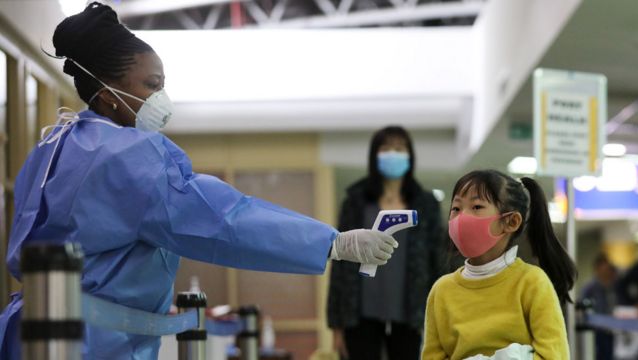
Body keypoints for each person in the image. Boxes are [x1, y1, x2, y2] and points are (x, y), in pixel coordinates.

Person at [0, 3, 398, 359]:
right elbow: (221, 220)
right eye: (152, 85)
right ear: (108, 94)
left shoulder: (52, 146)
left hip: (30, 335)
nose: (162, 97)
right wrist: (333, 243)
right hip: (91, 345)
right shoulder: (126, 154)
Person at [422, 169, 577, 360]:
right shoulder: (442, 290)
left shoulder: (531, 282)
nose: (462, 218)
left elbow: (555, 355)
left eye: (477, 207)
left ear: (510, 221)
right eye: (456, 209)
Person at [327, 126, 443, 360]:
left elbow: (437, 262)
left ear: (410, 156)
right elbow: (340, 264)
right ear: (374, 156)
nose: (393, 153)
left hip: (411, 315)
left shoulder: (425, 204)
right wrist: (336, 325)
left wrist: (437, 318)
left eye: (399, 148)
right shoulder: (355, 202)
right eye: (386, 148)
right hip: (358, 314)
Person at [580, 253, 617, 360]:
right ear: (597, 269)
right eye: (603, 268)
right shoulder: (589, 287)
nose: (605, 271)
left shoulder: (614, 285)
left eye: (607, 269)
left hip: (613, 329)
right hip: (598, 330)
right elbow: (583, 306)